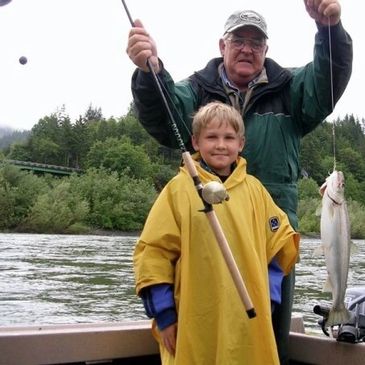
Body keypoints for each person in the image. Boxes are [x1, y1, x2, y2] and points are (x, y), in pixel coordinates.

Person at [127, 1, 353, 363]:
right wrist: (148, 71)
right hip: (202, 242)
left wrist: (330, 32)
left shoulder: (290, 90)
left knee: (265, 339)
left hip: (268, 245)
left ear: (266, 50)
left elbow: (328, 81)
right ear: (222, 46)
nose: (247, 48)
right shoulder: (196, 90)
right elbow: (163, 115)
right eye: (239, 40)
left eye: (256, 42)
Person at [134, 102, 299, 365]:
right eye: (211, 137)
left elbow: (278, 247)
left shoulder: (256, 191)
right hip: (195, 317)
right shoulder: (178, 190)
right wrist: (165, 315)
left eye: (228, 138)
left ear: (241, 144)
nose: (221, 145)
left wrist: (270, 295)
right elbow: (154, 253)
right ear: (196, 142)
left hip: (250, 321)